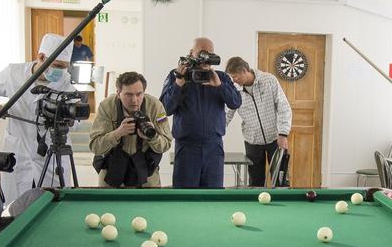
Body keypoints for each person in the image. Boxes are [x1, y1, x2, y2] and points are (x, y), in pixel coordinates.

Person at [0, 33, 75, 202]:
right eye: (58, 66)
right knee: (15, 205)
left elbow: (75, 119)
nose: (61, 72)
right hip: (18, 149)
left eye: (65, 67)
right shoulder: (13, 73)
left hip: (52, 151)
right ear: (41, 57)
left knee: (54, 202)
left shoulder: (66, 83)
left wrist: (70, 120)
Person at [160, 37, 241, 188]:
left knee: (213, 196)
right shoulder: (176, 75)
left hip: (214, 147)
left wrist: (219, 86)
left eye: (210, 53)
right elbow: (165, 109)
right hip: (186, 147)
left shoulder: (221, 77)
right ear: (191, 53)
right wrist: (179, 84)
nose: (206, 57)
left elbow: (235, 102)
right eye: (203, 53)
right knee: (184, 197)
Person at [89, 72, 172, 188]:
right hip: (112, 170)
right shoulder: (107, 106)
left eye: (139, 94)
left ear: (144, 92)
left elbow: (166, 144)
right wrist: (117, 133)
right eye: (128, 94)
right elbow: (95, 147)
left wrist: (152, 137)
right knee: (108, 205)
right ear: (118, 93)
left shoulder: (155, 107)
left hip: (146, 172)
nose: (134, 100)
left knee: (150, 205)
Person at [224, 56, 292, 187]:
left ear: (244, 70)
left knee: (281, 182)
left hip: (275, 140)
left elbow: (284, 106)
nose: (234, 80)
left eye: (235, 76)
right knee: (255, 183)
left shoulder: (269, 80)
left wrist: (283, 134)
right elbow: (227, 113)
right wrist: (216, 132)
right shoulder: (234, 89)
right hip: (252, 142)